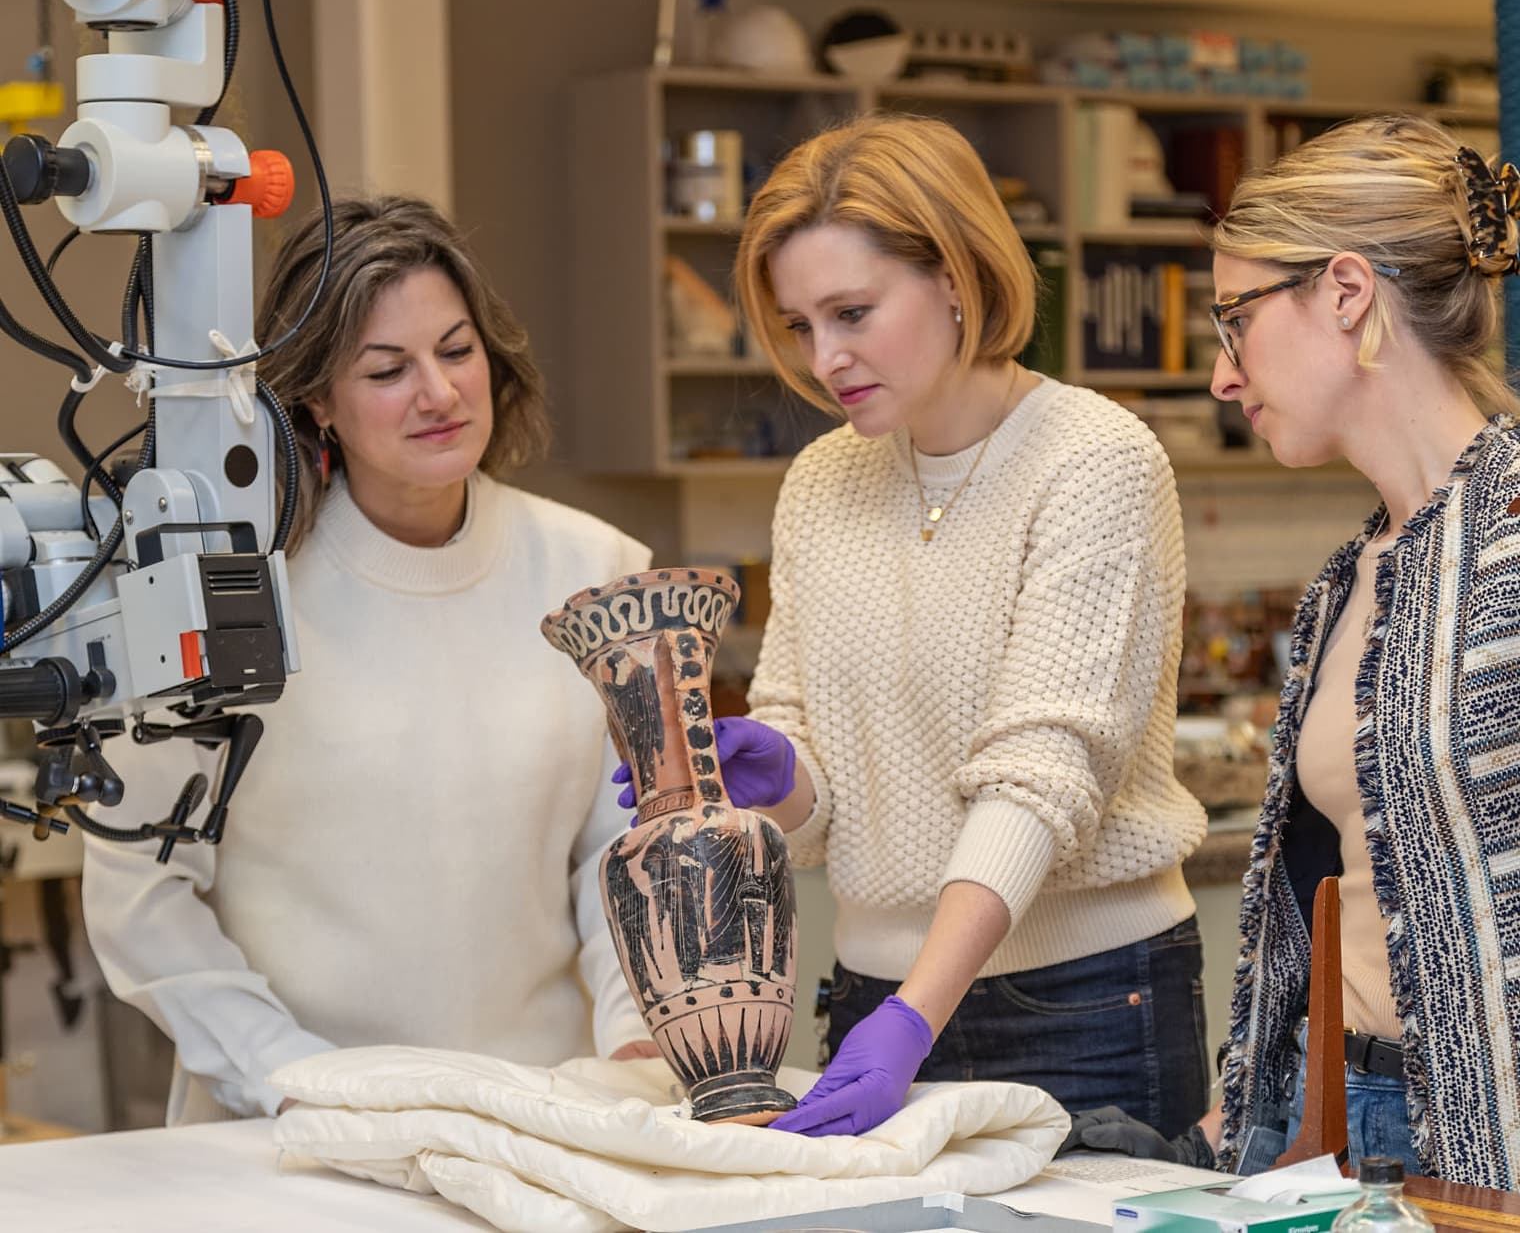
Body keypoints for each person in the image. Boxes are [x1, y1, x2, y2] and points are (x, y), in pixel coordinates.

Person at [687, 112, 1212, 1139]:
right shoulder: (821, 480)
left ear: (956, 279)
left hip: (1081, 1001)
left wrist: (912, 1018)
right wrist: (773, 776)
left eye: (851, 311)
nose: (826, 357)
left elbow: (1040, 774)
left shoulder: (1092, 459)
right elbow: (817, 815)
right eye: (799, 326)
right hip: (874, 994)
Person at [81, 195, 658, 1125]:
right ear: (315, 400)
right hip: (293, 1136)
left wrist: (636, 1033)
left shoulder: (599, 575)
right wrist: (297, 1079)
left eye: (457, 351)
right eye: (387, 370)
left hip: (547, 1122)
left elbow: (616, 849)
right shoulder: (218, 596)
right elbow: (139, 893)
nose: (438, 393)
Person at [1066, 115, 1520, 1190]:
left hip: (1482, 1152)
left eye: (1234, 320)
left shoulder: (1506, 541)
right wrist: (1248, 1115)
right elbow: (1331, 889)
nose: (1224, 377)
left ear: (1346, 294)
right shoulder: (1352, 575)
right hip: (1338, 1124)